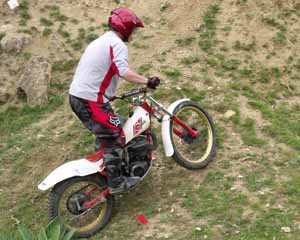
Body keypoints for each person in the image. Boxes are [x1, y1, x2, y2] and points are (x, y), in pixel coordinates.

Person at [68, 8, 160, 194]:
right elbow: (123, 71)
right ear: (125, 28)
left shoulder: (100, 41)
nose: (132, 35)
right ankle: (116, 181)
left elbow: (96, 73)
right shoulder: (117, 45)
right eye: (132, 31)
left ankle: (106, 168)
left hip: (80, 97)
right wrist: (147, 81)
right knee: (115, 132)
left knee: (113, 126)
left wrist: (108, 96)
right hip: (90, 101)